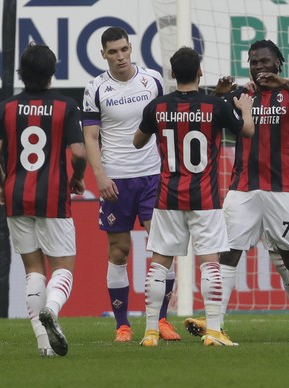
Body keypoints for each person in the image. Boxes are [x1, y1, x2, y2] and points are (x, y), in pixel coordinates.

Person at [184, 39, 289, 342]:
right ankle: (216, 324)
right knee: (228, 253)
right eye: (253, 61)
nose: (259, 66)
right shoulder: (241, 95)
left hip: (282, 190)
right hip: (242, 189)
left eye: (264, 61)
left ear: (278, 63)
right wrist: (218, 96)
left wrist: (284, 82)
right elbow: (207, 118)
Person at [133, 46, 254, 347]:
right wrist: (246, 108)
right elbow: (248, 132)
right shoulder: (215, 108)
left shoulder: (157, 107)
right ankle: (213, 331)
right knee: (210, 263)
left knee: (160, 263)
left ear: (172, 74)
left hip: (167, 198)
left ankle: (150, 332)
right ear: (200, 72)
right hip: (205, 199)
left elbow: (137, 142)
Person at [0, 43, 87, 357]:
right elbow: (80, 153)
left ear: (21, 73)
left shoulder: (5, 108)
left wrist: (4, 184)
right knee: (63, 268)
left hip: (17, 196)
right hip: (53, 198)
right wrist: (77, 177)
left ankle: (45, 346)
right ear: (52, 72)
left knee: (33, 271)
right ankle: (52, 310)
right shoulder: (65, 107)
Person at [82, 26, 180, 342]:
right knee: (119, 251)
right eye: (113, 52)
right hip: (116, 181)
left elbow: (167, 124)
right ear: (104, 55)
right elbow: (91, 137)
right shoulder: (95, 88)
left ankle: (161, 320)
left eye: (124, 49)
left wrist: (170, 169)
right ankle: (122, 325)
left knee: (163, 249)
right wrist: (99, 177)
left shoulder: (152, 80)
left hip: (153, 176)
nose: (120, 57)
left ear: (130, 48)